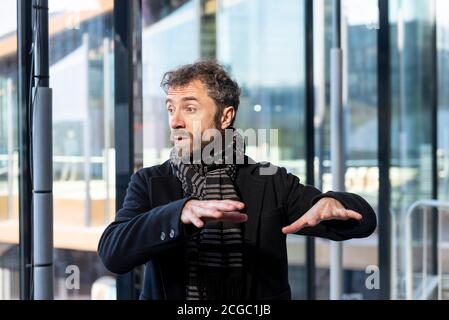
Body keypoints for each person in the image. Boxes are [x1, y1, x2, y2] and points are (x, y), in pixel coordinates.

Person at [98, 60, 377, 300]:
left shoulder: (270, 181)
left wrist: (332, 201)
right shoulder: (149, 181)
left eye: (190, 109)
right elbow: (113, 253)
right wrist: (177, 214)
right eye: (171, 109)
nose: (175, 121)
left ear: (225, 117)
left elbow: (364, 222)